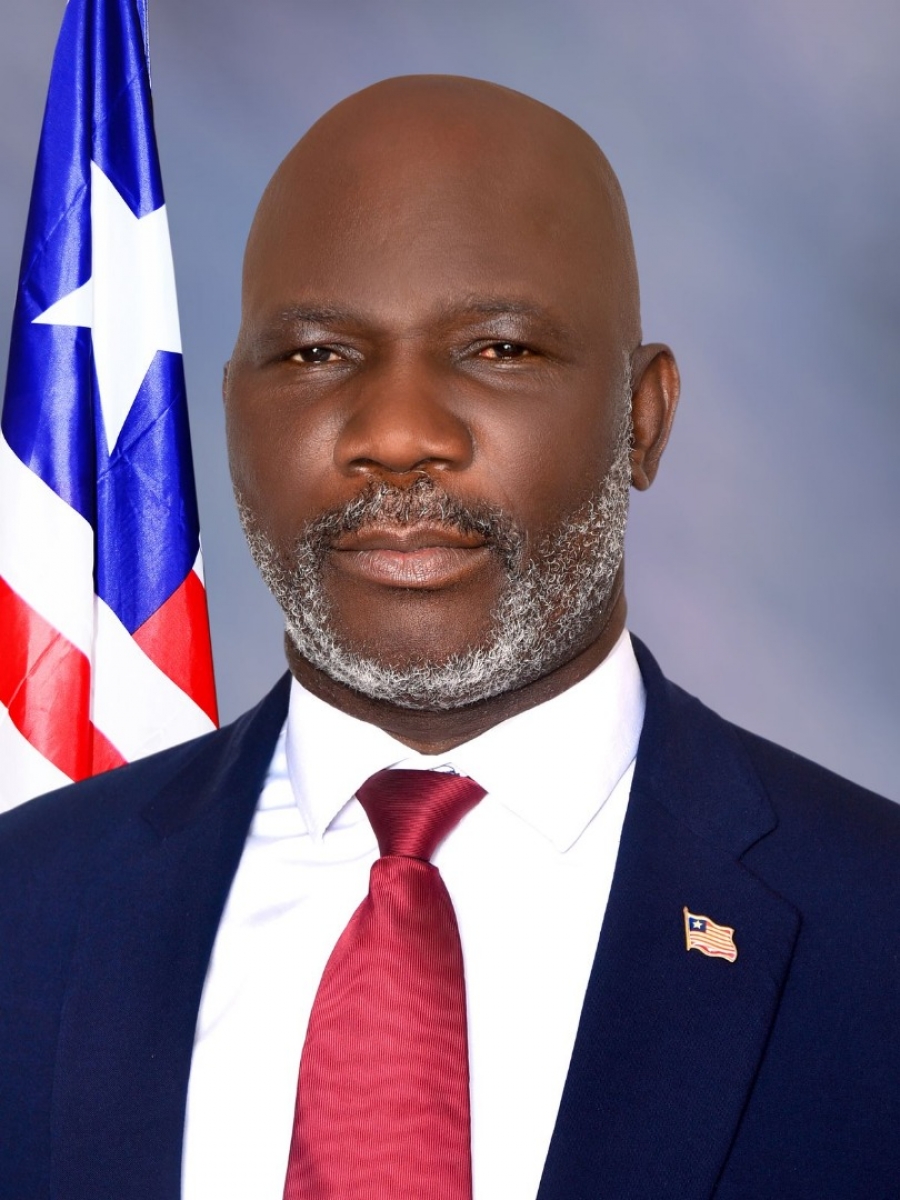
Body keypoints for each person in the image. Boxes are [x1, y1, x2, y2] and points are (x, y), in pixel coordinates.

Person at [1, 75, 898, 1200]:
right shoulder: (28, 907)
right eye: (317, 354)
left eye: (499, 349)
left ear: (643, 418)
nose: (395, 433)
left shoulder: (874, 925)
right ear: (229, 413)